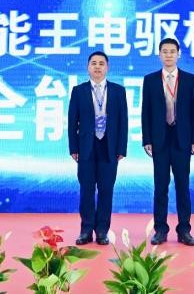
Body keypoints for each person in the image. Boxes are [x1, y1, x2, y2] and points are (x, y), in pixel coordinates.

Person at [141, 38, 194, 246]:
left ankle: (184, 230)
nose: (168, 55)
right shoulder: (150, 80)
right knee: (160, 187)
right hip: (159, 140)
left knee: (183, 186)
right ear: (159, 55)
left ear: (178, 54)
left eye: (172, 51)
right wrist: (147, 139)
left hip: (182, 139)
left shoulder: (190, 79)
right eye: (164, 51)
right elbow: (145, 112)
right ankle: (160, 230)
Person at [68, 51, 128, 245]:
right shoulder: (79, 91)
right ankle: (86, 230)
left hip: (109, 147)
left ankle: (102, 231)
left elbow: (123, 122)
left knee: (106, 190)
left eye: (101, 63)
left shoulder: (118, 91)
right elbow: (72, 122)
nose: (97, 66)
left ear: (107, 67)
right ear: (88, 67)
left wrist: (122, 148)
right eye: (93, 63)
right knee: (86, 190)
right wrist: (73, 148)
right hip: (86, 147)